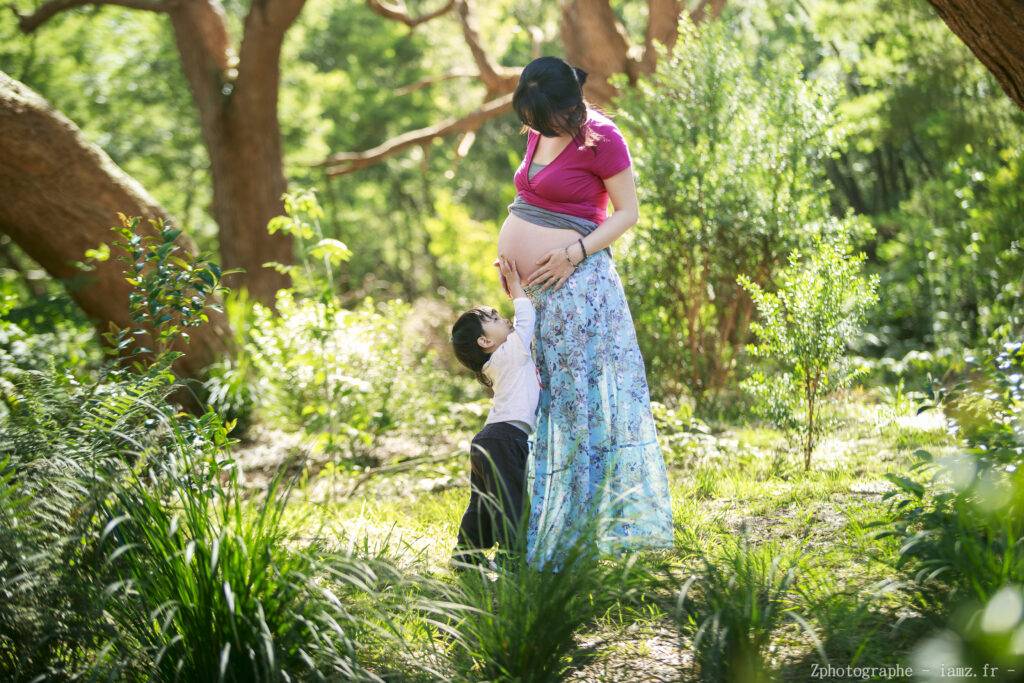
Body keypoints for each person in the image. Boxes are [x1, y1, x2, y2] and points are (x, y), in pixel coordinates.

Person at [496, 55, 674, 567]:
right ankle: (546, 522)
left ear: (569, 106)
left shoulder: (603, 137)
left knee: (579, 407)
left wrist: (574, 253)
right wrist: (516, 283)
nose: (532, 126)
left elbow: (628, 213)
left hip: (579, 290)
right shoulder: (538, 128)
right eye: (528, 117)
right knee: (546, 404)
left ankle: (578, 535)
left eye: (540, 117)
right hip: (537, 296)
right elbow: (531, 201)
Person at [449, 257, 539, 567]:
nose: (505, 319)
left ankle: (466, 555)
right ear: (486, 341)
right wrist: (515, 288)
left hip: (488, 439)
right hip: (505, 439)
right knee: (511, 501)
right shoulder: (510, 352)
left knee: (484, 503)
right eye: (496, 318)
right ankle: (512, 557)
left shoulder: (494, 365)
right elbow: (527, 322)